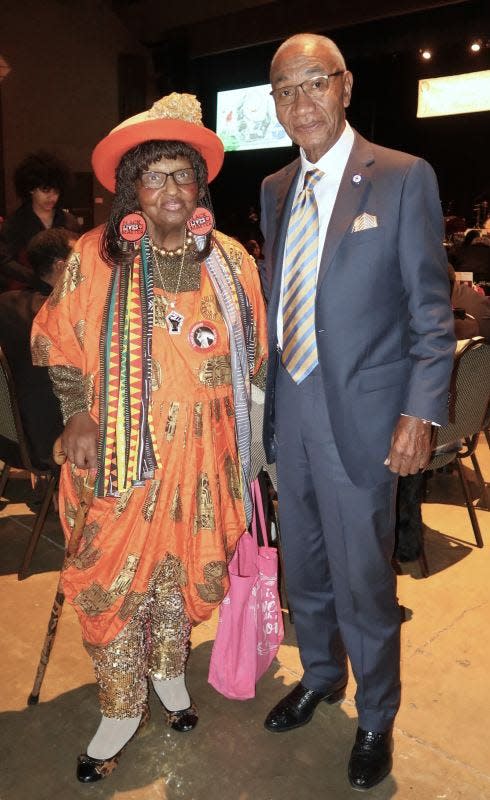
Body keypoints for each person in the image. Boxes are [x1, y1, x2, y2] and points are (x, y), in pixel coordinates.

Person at [31, 93, 267, 783]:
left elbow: (251, 357)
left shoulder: (231, 261)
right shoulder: (93, 258)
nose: (171, 188)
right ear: (132, 188)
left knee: (179, 574)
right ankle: (119, 708)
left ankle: (167, 674)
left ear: (201, 186)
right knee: (113, 580)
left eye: (183, 174)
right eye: (156, 174)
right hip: (119, 460)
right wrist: (77, 413)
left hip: (206, 457)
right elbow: (61, 341)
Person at [260, 34, 455, 791]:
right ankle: (319, 675)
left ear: (344, 86)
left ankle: (375, 713)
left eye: (314, 83)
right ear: (274, 105)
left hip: (366, 419)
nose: (301, 101)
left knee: (362, 578)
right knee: (302, 566)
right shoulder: (277, 188)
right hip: (292, 411)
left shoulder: (403, 177)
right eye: (285, 90)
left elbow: (431, 314)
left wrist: (420, 413)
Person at [0, 228, 75, 468]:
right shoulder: (63, 317)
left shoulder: (7, 303)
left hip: (9, 439)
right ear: (63, 266)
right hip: (51, 444)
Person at [0, 151, 79, 281]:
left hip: (64, 289)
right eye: (45, 190)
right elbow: (5, 261)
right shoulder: (15, 223)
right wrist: (37, 279)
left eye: (56, 192)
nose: (52, 197)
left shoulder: (69, 221)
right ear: (31, 189)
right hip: (28, 291)